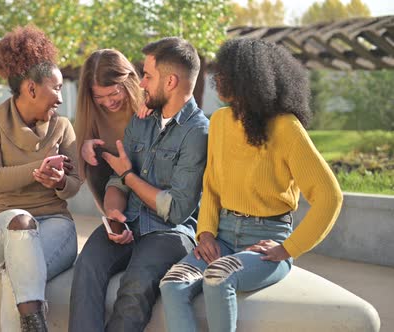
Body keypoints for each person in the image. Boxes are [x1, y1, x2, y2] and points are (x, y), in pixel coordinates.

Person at [159, 38, 343, 332]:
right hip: (222, 237)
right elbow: (212, 186)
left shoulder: (286, 127)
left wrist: (289, 247)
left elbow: (330, 196)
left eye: (225, 73)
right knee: (172, 284)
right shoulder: (219, 121)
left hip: (266, 242)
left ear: (249, 79)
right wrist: (205, 233)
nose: (217, 78)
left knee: (219, 277)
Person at [69, 37, 209, 332]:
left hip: (169, 232)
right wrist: (114, 215)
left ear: (170, 81)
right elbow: (118, 180)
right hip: (128, 219)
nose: (141, 84)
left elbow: (176, 209)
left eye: (147, 76)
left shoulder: (198, 133)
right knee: (86, 268)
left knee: (136, 284)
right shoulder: (141, 121)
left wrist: (130, 176)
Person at [0, 25, 81, 332]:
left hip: (56, 226)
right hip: (2, 228)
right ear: (31, 89)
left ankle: (34, 325)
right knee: (20, 221)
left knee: (16, 273)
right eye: (56, 88)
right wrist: (37, 169)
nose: (60, 97)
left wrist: (59, 182)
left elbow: (75, 185)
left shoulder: (63, 127)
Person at [74, 49, 149, 211]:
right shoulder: (90, 109)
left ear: (127, 81)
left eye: (113, 94)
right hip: (111, 185)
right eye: (99, 97)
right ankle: (114, 222)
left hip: (147, 177)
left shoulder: (149, 100)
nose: (108, 103)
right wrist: (86, 146)